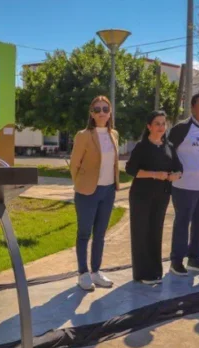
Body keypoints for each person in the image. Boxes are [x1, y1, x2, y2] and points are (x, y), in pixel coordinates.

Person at [69, 96, 120, 291]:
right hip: (87, 192)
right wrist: (81, 183)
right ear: (91, 113)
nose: (101, 112)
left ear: (110, 112)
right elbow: (75, 164)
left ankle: (96, 272)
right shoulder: (83, 135)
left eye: (105, 109)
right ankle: (83, 273)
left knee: (100, 234)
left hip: (108, 191)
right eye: (97, 109)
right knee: (84, 233)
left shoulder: (114, 134)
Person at [126, 110, 182, 284]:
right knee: (141, 232)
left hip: (162, 195)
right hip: (141, 195)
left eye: (163, 124)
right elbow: (131, 170)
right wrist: (154, 174)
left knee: (155, 232)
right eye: (157, 123)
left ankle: (155, 271)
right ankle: (142, 274)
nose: (161, 127)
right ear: (149, 126)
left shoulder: (169, 147)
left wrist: (176, 175)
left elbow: (179, 168)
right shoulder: (142, 147)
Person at [167, 93, 199, 275]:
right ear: (192, 108)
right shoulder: (182, 128)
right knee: (182, 223)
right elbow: (169, 151)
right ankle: (176, 260)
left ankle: (194, 258)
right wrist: (174, 170)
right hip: (184, 187)